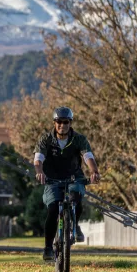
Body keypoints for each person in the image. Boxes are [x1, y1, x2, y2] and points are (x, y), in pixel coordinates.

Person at [34, 106, 100, 262]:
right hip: (51, 178)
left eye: (66, 122)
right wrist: (39, 171)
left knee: (76, 197)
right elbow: (38, 158)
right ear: (54, 122)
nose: (62, 125)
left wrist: (94, 171)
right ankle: (48, 248)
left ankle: (75, 226)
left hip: (74, 177)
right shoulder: (46, 139)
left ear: (70, 123)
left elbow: (88, 156)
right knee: (52, 209)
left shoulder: (79, 139)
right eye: (59, 122)